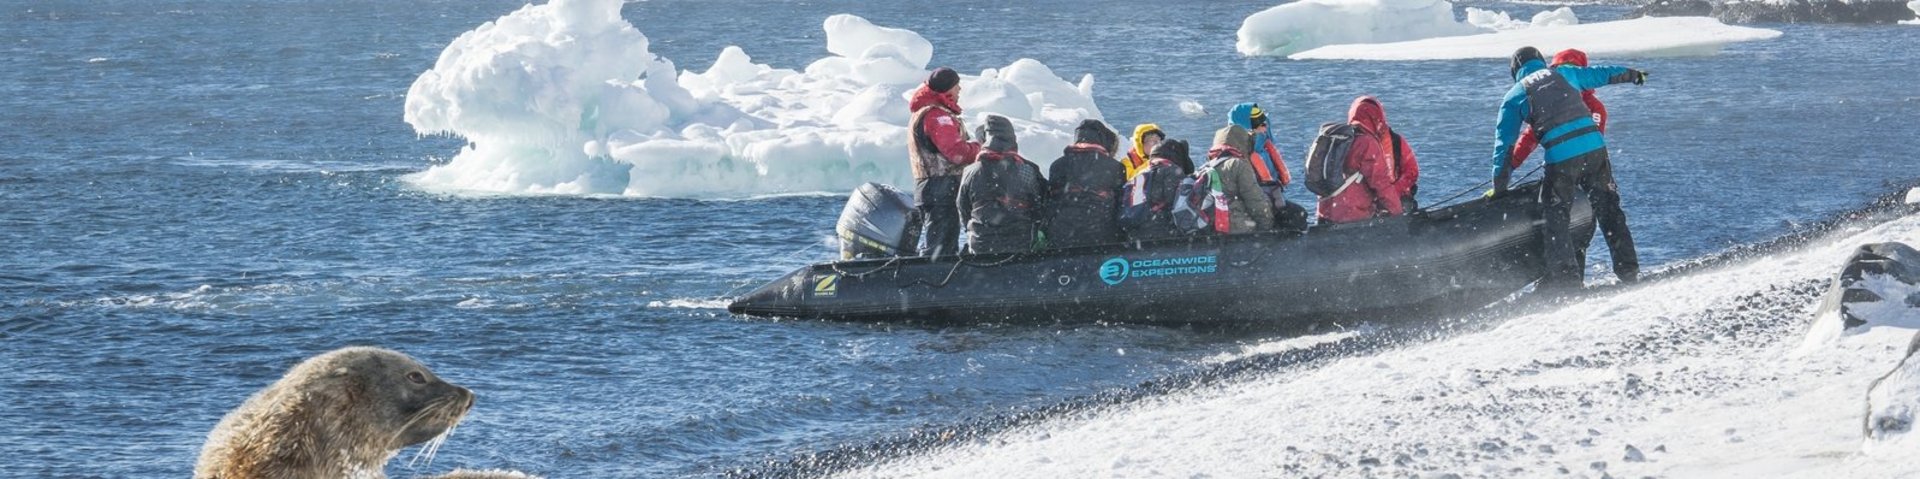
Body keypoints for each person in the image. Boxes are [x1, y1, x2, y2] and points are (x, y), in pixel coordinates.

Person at [1490, 46, 1648, 288]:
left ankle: (1567, 283)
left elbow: (1505, 145)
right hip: (1596, 150)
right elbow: (1603, 74)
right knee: (1609, 211)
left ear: (1515, 71)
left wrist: (1500, 187)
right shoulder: (1565, 73)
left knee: (1556, 219)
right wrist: (1634, 74)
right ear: (1541, 62)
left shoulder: (1514, 96)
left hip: (1562, 159)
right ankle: (1629, 271)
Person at [907, 67, 981, 258]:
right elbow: (956, 153)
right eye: (957, 86)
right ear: (947, 89)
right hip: (941, 188)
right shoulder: (937, 116)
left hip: (932, 188)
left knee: (942, 242)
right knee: (941, 246)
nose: (960, 90)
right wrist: (979, 148)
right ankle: (933, 280)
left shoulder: (926, 112)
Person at [956, 115, 1046, 254]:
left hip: (980, 245)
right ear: (1012, 138)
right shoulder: (1027, 169)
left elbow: (963, 208)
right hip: (1019, 246)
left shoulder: (971, 171)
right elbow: (1040, 206)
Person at [1317, 96, 1407, 224]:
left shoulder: (1338, 139)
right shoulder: (1366, 143)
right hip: (1352, 216)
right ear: (1376, 118)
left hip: (1325, 214)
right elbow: (1381, 183)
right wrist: (1398, 214)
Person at [1225, 103, 1310, 232]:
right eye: (1258, 123)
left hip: (1269, 200)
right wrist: (1265, 218)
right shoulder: (1237, 154)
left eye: (1263, 121)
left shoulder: (1262, 147)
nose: (1264, 127)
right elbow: (1246, 192)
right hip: (1251, 207)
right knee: (1296, 216)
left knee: (1299, 215)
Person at [1045, 119, 1127, 248]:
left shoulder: (1057, 165)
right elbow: (1121, 204)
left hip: (1061, 234)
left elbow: (1049, 200)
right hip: (1101, 234)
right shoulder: (1115, 167)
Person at [1205, 125, 1275, 234]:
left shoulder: (1207, 166)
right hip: (1234, 226)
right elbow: (1254, 199)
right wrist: (1267, 226)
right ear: (1242, 143)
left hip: (1210, 224)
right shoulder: (1238, 164)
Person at [1119, 138, 1192, 241]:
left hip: (1134, 236)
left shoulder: (1139, 174)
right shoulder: (1173, 171)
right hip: (1164, 237)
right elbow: (1178, 207)